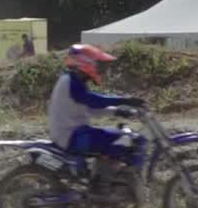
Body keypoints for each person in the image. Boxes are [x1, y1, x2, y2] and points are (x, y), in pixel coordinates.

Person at [48, 44, 145, 193]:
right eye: (97, 64)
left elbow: (90, 109)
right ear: (86, 63)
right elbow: (94, 101)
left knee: (117, 136)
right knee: (122, 139)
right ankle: (103, 186)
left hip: (73, 133)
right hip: (72, 136)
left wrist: (118, 112)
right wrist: (123, 100)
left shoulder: (73, 80)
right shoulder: (71, 82)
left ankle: (106, 178)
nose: (100, 68)